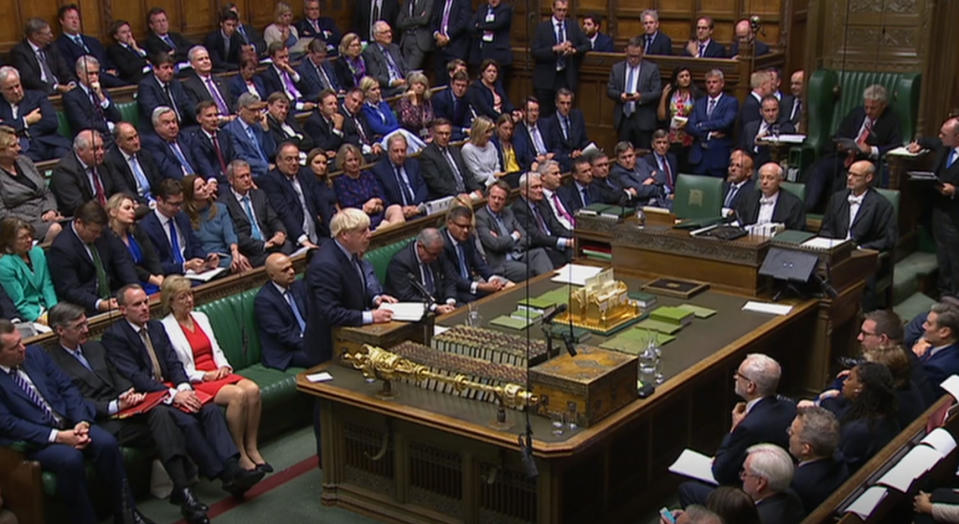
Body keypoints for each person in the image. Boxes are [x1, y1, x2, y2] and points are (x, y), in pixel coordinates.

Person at [47, 302, 210, 523]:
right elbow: (71, 400)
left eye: (86, 323)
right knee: (167, 427)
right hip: (99, 421)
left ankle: (184, 492)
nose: (86, 330)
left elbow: (117, 373)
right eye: (79, 327)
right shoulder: (53, 361)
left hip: (127, 410)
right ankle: (183, 492)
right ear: (60, 331)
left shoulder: (95, 347)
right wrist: (114, 405)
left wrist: (127, 393)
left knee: (162, 414)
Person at [102, 284, 265, 495]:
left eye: (145, 302)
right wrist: (174, 395)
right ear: (123, 309)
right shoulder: (115, 336)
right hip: (150, 397)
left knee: (210, 409)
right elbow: (136, 377)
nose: (144, 308)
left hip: (174, 387)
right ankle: (224, 476)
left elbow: (174, 363)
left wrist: (184, 387)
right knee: (187, 422)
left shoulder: (155, 327)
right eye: (137, 305)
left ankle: (233, 466)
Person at [0, 319, 150, 524]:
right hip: (39, 439)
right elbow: (9, 424)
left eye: (21, 341)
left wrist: (81, 421)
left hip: (71, 423)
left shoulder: (35, 354)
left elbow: (67, 388)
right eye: (14, 346)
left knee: (106, 443)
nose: (22, 348)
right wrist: (59, 437)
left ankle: (127, 513)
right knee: (70, 459)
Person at [160, 276, 268, 472]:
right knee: (238, 395)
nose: (189, 300)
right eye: (182, 297)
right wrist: (203, 376)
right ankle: (239, 452)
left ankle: (252, 446)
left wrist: (224, 366)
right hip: (198, 380)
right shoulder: (165, 327)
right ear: (170, 302)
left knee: (252, 390)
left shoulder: (201, 317)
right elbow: (177, 366)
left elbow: (216, 349)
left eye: (190, 295)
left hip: (217, 372)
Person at [678, 353, 796, 507]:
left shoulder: (749, 427)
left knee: (687, 489)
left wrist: (735, 429)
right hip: (779, 477)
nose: (735, 377)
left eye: (739, 375)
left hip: (750, 490)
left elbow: (720, 472)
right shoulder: (790, 406)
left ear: (750, 386)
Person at [304, 208, 397, 364]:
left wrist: (375, 299)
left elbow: (352, 288)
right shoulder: (325, 265)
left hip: (351, 339)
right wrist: (371, 316)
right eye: (362, 231)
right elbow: (330, 313)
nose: (369, 234)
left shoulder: (350, 252)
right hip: (330, 348)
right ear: (344, 235)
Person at [804, 84, 901, 212]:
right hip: (844, 155)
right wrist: (841, 144)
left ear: (883, 105)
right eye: (866, 107)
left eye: (873, 108)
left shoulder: (891, 120)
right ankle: (808, 208)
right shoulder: (857, 113)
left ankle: (837, 214)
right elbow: (840, 133)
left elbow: (896, 146)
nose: (868, 111)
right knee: (819, 168)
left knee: (849, 177)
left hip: (865, 161)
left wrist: (871, 150)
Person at [48, 201, 138, 315]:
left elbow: (122, 260)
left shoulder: (102, 232)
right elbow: (70, 290)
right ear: (79, 223)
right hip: (84, 306)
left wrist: (134, 289)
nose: (98, 236)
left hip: (113, 294)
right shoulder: (62, 248)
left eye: (100, 231)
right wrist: (99, 303)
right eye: (94, 232)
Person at [908, 117, 959, 297]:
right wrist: (920, 143)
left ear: (957, 136)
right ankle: (944, 293)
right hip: (938, 211)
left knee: (955, 257)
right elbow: (931, 141)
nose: (940, 136)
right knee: (943, 255)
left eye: (944, 134)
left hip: (955, 215)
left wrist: (955, 191)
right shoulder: (945, 145)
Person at [821, 361, 900, 472]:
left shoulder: (859, 431)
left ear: (860, 387)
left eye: (849, 379)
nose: (843, 382)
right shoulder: (881, 413)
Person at [475, 180, 554, 281]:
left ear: (506, 201)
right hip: (501, 263)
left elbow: (526, 238)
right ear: (487, 197)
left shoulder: (508, 212)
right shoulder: (481, 217)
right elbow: (495, 244)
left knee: (539, 254)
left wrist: (504, 241)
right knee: (526, 271)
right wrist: (514, 236)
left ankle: (552, 285)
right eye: (493, 197)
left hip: (518, 254)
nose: (496, 201)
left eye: (500, 199)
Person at [140, 178, 220, 276]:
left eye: (180, 203)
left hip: (192, 273)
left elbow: (194, 245)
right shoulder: (146, 227)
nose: (179, 208)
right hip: (170, 277)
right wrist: (185, 266)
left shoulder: (182, 217)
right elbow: (155, 265)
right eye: (174, 204)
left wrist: (206, 259)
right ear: (160, 200)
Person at [260, 143, 332, 251]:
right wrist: (303, 240)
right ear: (279, 161)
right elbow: (283, 212)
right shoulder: (271, 180)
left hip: (317, 233)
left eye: (296, 159)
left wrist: (334, 230)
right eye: (289, 159)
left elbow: (321, 203)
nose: (294, 163)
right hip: (295, 238)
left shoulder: (305, 173)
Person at [220, 159, 291, 267]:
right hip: (250, 251)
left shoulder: (259, 194)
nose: (247, 179)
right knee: (271, 260)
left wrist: (279, 232)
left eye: (248, 175)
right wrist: (263, 245)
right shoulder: (223, 203)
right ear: (231, 180)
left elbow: (273, 218)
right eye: (242, 177)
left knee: (288, 246)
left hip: (271, 244)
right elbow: (235, 234)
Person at [0, 126, 63, 243]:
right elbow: (2, 214)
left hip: (46, 216)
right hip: (19, 225)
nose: (19, 148)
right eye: (13, 146)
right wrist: (38, 220)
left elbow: (46, 191)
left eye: (18, 144)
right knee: (56, 229)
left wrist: (50, 210)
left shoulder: (24, 161)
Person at [819, 160, 896, 250]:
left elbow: (887, 239)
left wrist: (861, 248)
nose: (849, 178)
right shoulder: (837, 199)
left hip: (862, 254)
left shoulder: (882, 205)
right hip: (834, 251)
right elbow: (826, 229)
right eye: (849, 174)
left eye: (855, 175)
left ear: (868, 178)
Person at [0, 67, 72, 163]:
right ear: (1, 89)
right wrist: (26, 121)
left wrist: (20, 130)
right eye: (10, 89)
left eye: (17, 86)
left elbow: (51, 122)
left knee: (65, 157)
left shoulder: (37, 97)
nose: (16, 91)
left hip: (48, 144)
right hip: (19, 152)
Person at [183, 175, 252, 273]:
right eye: (199, 188)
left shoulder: (220, 208)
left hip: (224, 255)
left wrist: (235, 253)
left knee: (241, 263)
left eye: (204, 185)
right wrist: (207, 258)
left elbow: (230, 235)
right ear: (191, 195)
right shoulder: (185, 217)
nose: (205, 189)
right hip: (203, 260)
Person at [440, 205, 508, 304]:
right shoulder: (441, 244)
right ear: (450, 223)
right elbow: (453, 278)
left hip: (471, 286)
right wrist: (481, 286)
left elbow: (479, 263)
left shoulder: (469, 238)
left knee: (502, 292)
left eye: (468, 226)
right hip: (453, 291)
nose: (466, 231)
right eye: (462, 226)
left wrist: (492, 278)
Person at [786, 406, 849, 513]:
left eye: (791, 432)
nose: (788, 434)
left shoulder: (796, 483)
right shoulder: (839, 458)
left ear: (806, 448)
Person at [256, 253, 312, 370]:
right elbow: (282, 335)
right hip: (285, 352)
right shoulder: (264, 300)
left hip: (306, 340)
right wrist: (310, 344)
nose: (291, 272)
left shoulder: (299, 286)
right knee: (321, 355)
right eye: (285, 270)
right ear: (272, 276)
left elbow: (314, 315)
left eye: (291, 267)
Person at [531, 0, 587, 117]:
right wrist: (554, 49)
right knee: (545, 115)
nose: (562, 13)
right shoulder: (542, 27)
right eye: (559, 10)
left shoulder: (572, 26)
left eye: (564, 10)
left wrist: (573, 50)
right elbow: (535, 52)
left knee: (564, 115)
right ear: (553, 9)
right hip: (545, 79)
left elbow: (587, 45)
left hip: (565, 77)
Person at [607, 36, 662, 150]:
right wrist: (620, 96)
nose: (633, 59)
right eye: (630, 56)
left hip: (643, 119)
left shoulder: (652, 69)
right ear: (625, 51)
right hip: (623, 119)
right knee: (623, 152)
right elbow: (610, 89)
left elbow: (657, 92)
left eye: (636, 56)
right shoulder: (617, 68)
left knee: (643, 153)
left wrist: (641, 97)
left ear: (642, 53)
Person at [333, 143, 405, 230]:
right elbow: (347, 207)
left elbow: (382, 196)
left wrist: (375, 201)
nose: (354, 163)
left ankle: (384, 228)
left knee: (396, 208)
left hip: (379, 211)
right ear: (343, 163)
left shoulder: (367, 175)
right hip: (359, 216)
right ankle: (383, 228)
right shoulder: (340, 182)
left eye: (356, 159)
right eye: (350, 160)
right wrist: (365, 207)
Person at [0, 218, 57, 322]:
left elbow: (47, 285)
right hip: (29, 314)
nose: (29, 240)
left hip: (48, 307)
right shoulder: (4, 265)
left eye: (29, 235)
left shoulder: (38, 252)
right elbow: (19, 301)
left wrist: (54, 310)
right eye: (22, 238)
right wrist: (37, 319)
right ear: (9, 241)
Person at [385, 228, 456, 311]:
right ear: (420, 246)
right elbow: (407, 296)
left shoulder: (437, 250)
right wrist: (434, 307)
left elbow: (450, 277)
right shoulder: (400, 263)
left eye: (438, 254)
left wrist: (450, 300)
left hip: (441, 302)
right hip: (415, 309)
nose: (436, 258)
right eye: (433, 254)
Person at [512, 171, 573, 267]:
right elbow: (536, 236)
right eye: (535, 187)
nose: (540, 190)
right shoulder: (519, 208)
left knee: (576, 253)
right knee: (561, 261)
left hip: (553, 242)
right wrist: (565, 242)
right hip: (539, 247)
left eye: (540, 186)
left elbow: (555, 225)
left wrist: (573, 236)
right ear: (524, 191)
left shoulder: (542, 200)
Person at [106, 193, 164, 295]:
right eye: (127, 208)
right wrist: (155, 280)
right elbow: (128, 267)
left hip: (151, 280)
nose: (132, 211)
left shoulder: (136, 230)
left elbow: (152, 257)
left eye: (133, 208)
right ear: (113, 212)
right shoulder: (108, 238)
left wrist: (160, 276)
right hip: (126, 285)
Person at [50, 130, 117, 215]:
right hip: (86, 219)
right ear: (80, 151)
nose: (101, 152)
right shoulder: (64, 170)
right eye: (95, 149)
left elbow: (120, 186)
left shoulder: (105, 161)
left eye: (102, 147)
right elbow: (77, 206)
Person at [55, 5, 124, 88]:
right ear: (61, 21)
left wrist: (113, 70)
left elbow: (107, 59)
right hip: (89, 81)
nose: (75, 21)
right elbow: (72, 68)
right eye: (71, 18)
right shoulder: (59, 45)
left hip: (109, 78)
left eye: (77, 18)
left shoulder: (93, 41)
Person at [687, 69, 739, 178]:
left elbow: (725, 123)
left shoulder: (731, 102)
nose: (711, 85)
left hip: (718, 157)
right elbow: (690, 126)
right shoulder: (699, 102)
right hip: (699, 157)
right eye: (708, 82)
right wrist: (708, 134)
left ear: (722, 84)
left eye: (714, 82)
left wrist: (702, 125)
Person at [418, 118, 484, 200]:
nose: (444, 137)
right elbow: (436, 183)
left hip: (466, 194)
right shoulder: (427, 155)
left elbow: (467, 173)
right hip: (447, 197)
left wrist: (476, 189)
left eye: (447, 133)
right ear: (434, 134)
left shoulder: (454, 150)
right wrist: (457, 194)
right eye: (440, 133)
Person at [9, 18, 76, 95]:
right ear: (35, 36)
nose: (51, 36)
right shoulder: (20, 52)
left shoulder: (52, 47)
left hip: (63, 90)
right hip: (39, 93)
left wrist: (71, 82)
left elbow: (64, 69)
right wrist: (55, 87)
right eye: (47, 34)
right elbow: (29, 79)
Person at [740, 444, 804, 523]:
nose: (742, 477)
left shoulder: (757, 519)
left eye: (745, 473)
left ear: (760, 483)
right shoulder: (792, 496)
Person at [62, 56, 122, 141]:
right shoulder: (71, 96)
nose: (94, 77)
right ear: (79, 74)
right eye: (90, 73)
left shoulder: (103, 92)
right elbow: (82, 124)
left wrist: (101, 96)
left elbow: (117, 117)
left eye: (96, 73)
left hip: (111, 136)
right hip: (89, 139)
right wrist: (107, 126)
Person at [657, 66, 702, 173]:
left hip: (690, 138)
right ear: (676, 79)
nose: (685, 78)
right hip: (673, 138)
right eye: (681, 76)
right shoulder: (671, 94)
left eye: (687, 76)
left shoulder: (696, 94)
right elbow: (661, 117)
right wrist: (664, 96)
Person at [104, 122, 162, 206]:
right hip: (136, 203)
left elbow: (158, 180)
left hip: (155, 198)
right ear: (119, 142)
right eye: (130, 139)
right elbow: (124, 190)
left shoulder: (144, 153)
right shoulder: (112, 161)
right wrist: (149, 203)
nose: (136, 141)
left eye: (136, 136)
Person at [735, 163, 805, 231]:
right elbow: (740, 222)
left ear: (780, 181)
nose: (764, 182)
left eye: (770, 178)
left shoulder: (793, 204)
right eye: (762, 178)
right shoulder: (748, 198)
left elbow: (795, 232)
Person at [372, 134, 428, 218]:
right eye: (396, 151)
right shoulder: (379, 170)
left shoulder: (413, 163)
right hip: (398, 214)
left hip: (417, 208)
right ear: (388, 151)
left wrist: (415, 206)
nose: (400, 154)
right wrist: (401, 209)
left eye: (403, 151)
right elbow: (383, 197)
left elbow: (422, 186)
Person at [224, 93, 277, 179]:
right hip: (253, 175)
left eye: (259, 110)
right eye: (253, 110)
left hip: (271, 170)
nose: (257, 114)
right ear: (241, 109)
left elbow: (271, 152)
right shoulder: (230, 130)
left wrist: (266, 129)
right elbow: (241, 157)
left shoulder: (258, 125)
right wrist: (266, 167)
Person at [913, 302, 959, 400]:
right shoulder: (945, 345)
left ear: (944, 332)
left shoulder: (938, 368)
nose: (923, 326)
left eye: (929, 324)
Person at [137, 53, 197, 128]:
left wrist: (199, 118)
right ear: (155, 69)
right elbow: (153, 112)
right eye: (165, 68)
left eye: (171, 68)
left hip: (182, 126)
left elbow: (187, 104)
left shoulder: (175, 83)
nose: (170, 71)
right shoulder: (146, 86)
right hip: (158, 129)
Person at [141, 106, 199, 180]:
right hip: (180, 184)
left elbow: (200, 160)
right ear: (156, 127)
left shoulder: (184, 137)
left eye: (174, 121)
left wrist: (210, 179)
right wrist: (192, 183)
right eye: (167, 123)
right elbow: (167, 169)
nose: (172, 126)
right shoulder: (153, 144)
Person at [187, 101, 236, 184]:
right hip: (216, 181)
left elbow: (234, 157)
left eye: (216, 115)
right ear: (199, 119)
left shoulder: (225, 135)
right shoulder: (196, 141)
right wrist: (212, 181)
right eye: (209, 116)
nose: (214, 119)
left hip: (233, 178)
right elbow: (204, 164)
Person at [181, 46, 236, 118]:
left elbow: (233, 100)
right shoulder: (189, 86)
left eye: (207, 58)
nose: (205, 61)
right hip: (213, 123)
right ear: (192, 65)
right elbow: (196, 112)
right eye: (200, 59)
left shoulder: (221, 80)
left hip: (233, 120)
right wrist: (222, 119)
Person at [258, 43, 313, 113]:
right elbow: (277, 100)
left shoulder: (292, 69)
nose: (285, 60)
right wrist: (301, 106)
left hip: (303, 100)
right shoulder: (268, 76)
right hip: (289, 108)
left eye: (287, 56)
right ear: (272, 58)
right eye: (281, 57)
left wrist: (293, 73)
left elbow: (307, 90)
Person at [742, 95, 795, 167]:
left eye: (774, 110)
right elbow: (743, 148)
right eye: (767, 110)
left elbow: (790, 130)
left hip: (770, 164)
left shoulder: (784, 124)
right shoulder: (750, 127)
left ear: (779, 110)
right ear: (761, 111)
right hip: (750, 164)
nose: (771, 114)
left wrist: (767, 134)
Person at [611, 141, 665, 207]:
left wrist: (650, 181)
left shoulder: (641, 162)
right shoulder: (617, 172)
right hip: (643, 207)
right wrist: (657, 186)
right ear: (617, 159)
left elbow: (662, 175)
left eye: (630, 156)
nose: (628, 160)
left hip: (660, 201)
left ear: (634, 154)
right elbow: (640, 192)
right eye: (623, 157)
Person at [363, 21, 409, 98]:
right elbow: (375, 75)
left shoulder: (395, 48)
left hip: (403, 83)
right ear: (376, 36)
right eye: (385, 32)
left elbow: (405, 68)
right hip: (387, 88)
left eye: (390, 31)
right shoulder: (369, 52)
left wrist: (410, 78)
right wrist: (392, 83)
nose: (389, 35)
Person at [547, 88, 589, 171]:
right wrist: (569, 155)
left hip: (579, 158)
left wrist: (587, 149)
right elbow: (554, 149)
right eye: (562, 103)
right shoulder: (550, 122)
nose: (565, 107)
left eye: (568, 103)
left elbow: (584, 140)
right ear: (556, 103)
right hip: (563, 161)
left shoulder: (577, 116)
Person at [431, 0, 472, 83]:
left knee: (455, 79)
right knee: (440, 79)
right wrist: (437, 35)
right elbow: (432, 21)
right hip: (439, 47)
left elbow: (464, 22)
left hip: (456, 46)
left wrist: (447, 37)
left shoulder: (464, 2)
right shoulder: (439, 2)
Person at [471, 0, 514, 78]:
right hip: (482, 54)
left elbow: (497, 24)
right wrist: (480, 26)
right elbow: (471, 25)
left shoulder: (505, 9)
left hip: (498, 55)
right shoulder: (482, 8)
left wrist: (480, 26)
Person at [514, 97, 555, 172]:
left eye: (536, 110)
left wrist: (553, 154)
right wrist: (535, 159)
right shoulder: (518, 131)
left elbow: (556, 144)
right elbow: (521, 154)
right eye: (531, 110)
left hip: (551, 160)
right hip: (535, 164)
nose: (534, 114)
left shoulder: (545, 124)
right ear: (523, 112)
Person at [432, 71, 476, 141]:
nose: (460, 88)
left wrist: (468, 128)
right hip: (444, 131)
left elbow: (467, 117)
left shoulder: (467, 98)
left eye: (463, 86)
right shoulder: (440, 99)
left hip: (459, 131)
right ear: (452, 84)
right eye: (457, 85)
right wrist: (463, 130)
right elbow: (441, 122)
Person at [462, 116, 503, 188]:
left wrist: (497, 175)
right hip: (481, 185)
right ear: (478, 132)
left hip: (496, 181)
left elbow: (497, 165)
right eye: (487, 131)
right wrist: (494, 176)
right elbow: (477, 175)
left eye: (491, 131)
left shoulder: (491, 145)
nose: (490, 134)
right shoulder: (467, 149)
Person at [339, 87, 382, 157]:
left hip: (371, 150)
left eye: (360, 103)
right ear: (346, 98)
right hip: (355, 153)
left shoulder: (361, 114)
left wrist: (375, 144)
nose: (356, 105)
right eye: (354, 100)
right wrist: (368, 149)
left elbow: (370, 134)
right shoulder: (340, 115)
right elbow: (347, 139)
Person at [106, 20, 151, 85]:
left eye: (129, 31)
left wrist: (136, 49)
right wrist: (144, 62)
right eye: (124, 32)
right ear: (116, 36)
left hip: (148, 74)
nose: (129, 35)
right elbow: (127, 68)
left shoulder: (135, 45)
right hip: (134, 79)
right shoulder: (114, 50)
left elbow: (151, 58)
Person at [305, 89, 349, 156]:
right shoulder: (313, 122)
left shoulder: (338, 117)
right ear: (320, 106)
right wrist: (337, 128)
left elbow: (346, 141)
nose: (334, 107)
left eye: (336, 104)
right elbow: (324, 147)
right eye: (330, 104)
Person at [395, 0, 433, 71]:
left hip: (419, 41)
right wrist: (418, 18)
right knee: (403, 70)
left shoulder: (428, 1)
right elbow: (399, 23)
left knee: (410, 71)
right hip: (406, 40)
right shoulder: (407, 2)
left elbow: (424, 20)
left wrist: (407, 20)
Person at [737, 70, 774, 142]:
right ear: (763, 85)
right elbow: (750, 131)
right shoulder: (751, 105)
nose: (772, 88)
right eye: (770, 84)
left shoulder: (753, 102)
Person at [396, 72, 435, 140]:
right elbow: (412, 122)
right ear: (410, 86)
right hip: (410, 136)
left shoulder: (426, 101)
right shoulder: (403, 102)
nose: (419, 86)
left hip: (427, 136)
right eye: (416, 84)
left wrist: (432, 136)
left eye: (422, 84)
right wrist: (414, 103)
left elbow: (432, 121)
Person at [491, 113, 528, 181]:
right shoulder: (493, 144)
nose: (508, 132)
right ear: (498, 127)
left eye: (511, 129)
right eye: (505, 128)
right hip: (504, 176)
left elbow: (527, 158)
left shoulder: (518, 141)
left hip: (520, 174)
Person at [645, 129, 679, 202]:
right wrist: (667, 196)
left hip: (675, 196)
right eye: (658, 143)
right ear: (652, 145)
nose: (662, 146)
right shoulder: (647, 161)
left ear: (668, 145)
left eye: (665, 142)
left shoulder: (672, 158)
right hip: (659, 198)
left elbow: (675, 181)